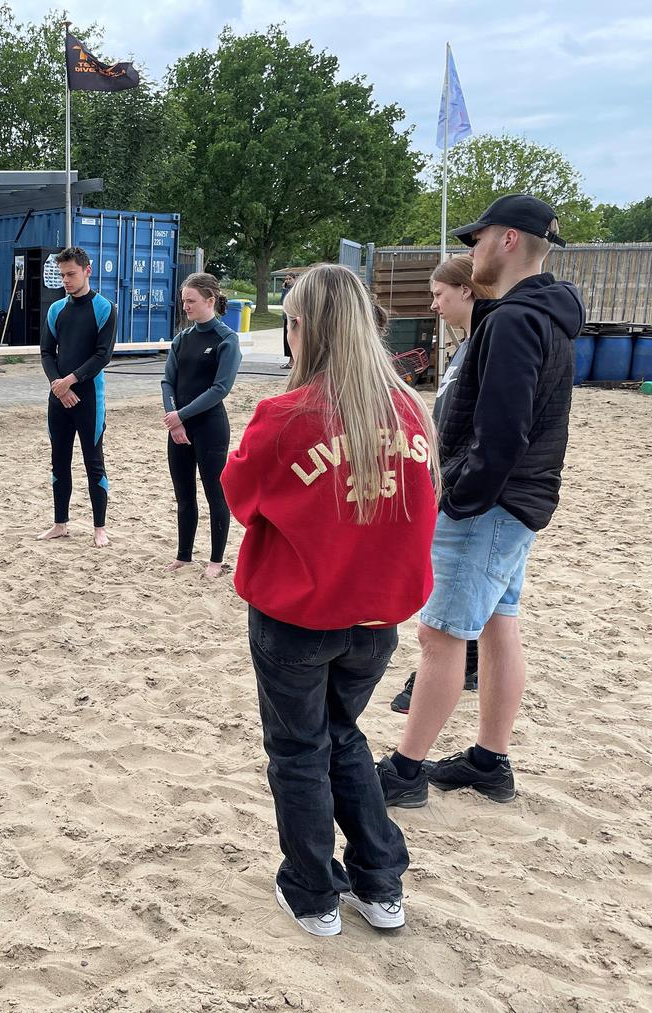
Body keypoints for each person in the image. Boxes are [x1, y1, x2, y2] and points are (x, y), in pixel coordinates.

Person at [222, 262, 440, 937]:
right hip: (376, 620)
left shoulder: (287, 416)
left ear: (304, 330)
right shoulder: (410, 410)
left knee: (298, 751)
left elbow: (239, 500)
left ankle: (313, 889)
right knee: (340, 735)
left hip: (299, 617)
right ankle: (379, 881)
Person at [377, 195, 584, 809]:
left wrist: (459, 498)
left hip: (491, 506)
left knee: (440, 637)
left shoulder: (516, 320)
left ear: (510, 240)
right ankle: (490, 760)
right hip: (519, 502)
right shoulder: (545, 313)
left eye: (478, 239)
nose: (472, 251)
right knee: (498, 626)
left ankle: (407, 771)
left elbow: (501, 433)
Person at [389, 254, 494, 714]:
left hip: (461, 489)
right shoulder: (466, 345)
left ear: (466, 290)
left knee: (452, 596)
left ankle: (458, 666)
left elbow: (488, 430)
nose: (433, 305)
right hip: (446, 476)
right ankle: (468, 661)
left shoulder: (484, 346)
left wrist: (453, 484)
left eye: (439, 294)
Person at [161, 272, 241, 578]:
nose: (185, 307)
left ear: (210, 301)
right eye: (183, 301)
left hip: (210, 428)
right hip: (178, 428)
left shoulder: (226, 340)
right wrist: (174, 418)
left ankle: (216, 561)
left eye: (191, 301)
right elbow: (168, 381)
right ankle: (184, 555)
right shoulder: (182, 339)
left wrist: (182, 415)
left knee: (214, 494)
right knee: (184, 495)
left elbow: (220, 388)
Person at [37, 247, 117, 548]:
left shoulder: (105, 308)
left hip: (88, 398)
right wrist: (58, 384)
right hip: (58, 397)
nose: (66, 280)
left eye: (71, 274)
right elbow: (46, 352)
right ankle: (60, 523)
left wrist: (70, 381)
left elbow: (102, 355)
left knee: (93, 462)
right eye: (62, 275)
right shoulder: (56, 310)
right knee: (59, 461)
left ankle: (99, 527)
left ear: (87, 270)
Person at [280, 274, 296, 360]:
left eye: (290, 278)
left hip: (294, 317)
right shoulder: (287, 290)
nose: (288, 281)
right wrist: (284, 290)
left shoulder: (296, 289)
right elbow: (283, 301)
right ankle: (290, 360)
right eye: (286, 279)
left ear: (294, 279)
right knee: (287, 339)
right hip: (287, 317)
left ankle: (294, 360)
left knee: (294, 339)